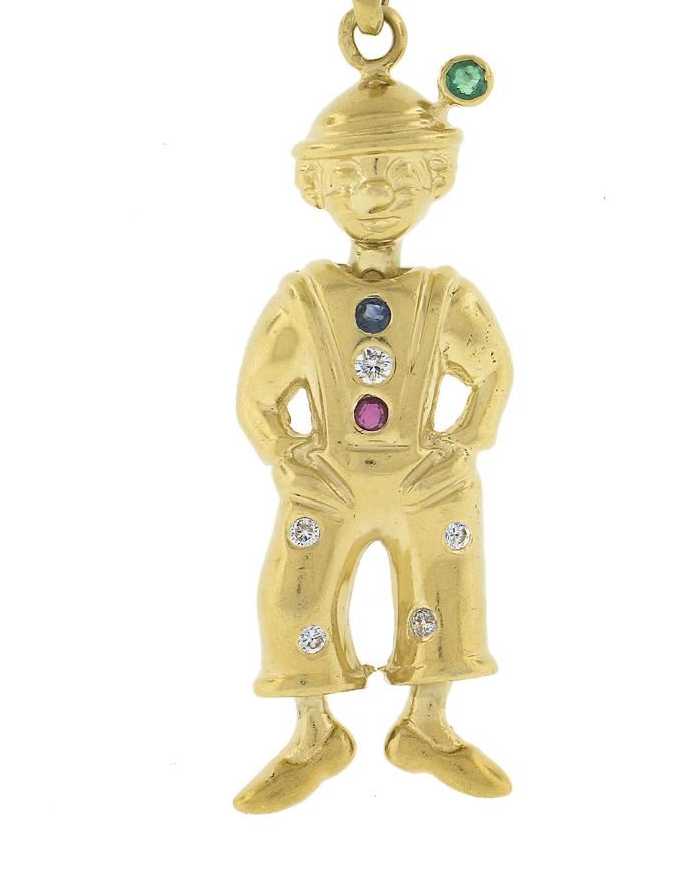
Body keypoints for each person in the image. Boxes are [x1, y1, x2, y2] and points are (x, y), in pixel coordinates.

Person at [233, 61, 512, 813]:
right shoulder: (305, 298)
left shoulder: (444, 295)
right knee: (294, 597)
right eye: (353, 175)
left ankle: (428, 725)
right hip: (327, 480)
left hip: (429, 478)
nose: (377, 193)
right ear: (317, 186)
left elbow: (492, 372)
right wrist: (288, 457)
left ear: (437, 178)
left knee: (446, 591)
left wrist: (463, 443)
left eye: (400, 173)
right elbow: (257, 394)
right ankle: (312, 734)